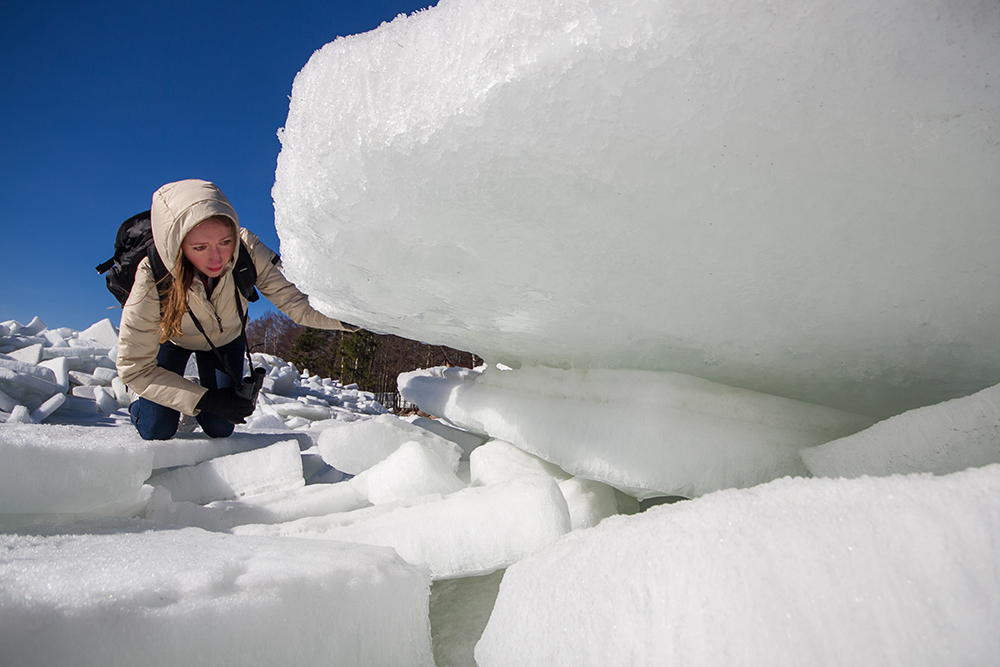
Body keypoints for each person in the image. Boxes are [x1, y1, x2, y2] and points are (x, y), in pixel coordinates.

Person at [116, 178, 354, 440]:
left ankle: (191, 396)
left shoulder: (246, 250)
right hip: (172, 339)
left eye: (225, 242)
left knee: (220, 427)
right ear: (178, 246)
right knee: (156, 429)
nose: (217, 258)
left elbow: (297, 304)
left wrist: (354, 319)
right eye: (200, 247)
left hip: (225, 340)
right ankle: (143, 402)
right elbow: (134, 368)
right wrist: (207, 399)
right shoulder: (153, 273)